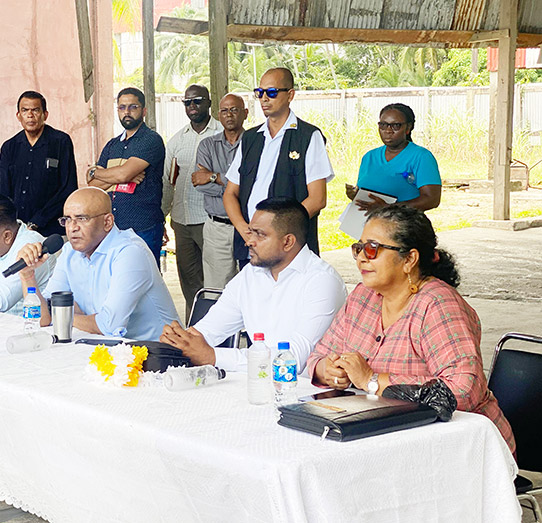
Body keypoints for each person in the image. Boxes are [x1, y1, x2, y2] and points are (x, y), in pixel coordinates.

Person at [306, 204, 515, 454]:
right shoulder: (363, 296)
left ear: (409, 259)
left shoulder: (437, 305)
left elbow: (463, 390)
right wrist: (328, 371)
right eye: (358, 248)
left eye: (372, 249)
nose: (361, 257)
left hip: (459, 448)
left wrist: (372, 381)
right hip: (385, 436)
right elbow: (319, 355)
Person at [160, 198, 346, 373]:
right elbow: (210, 329)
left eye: (260, 235)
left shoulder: (321, 281)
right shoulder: (251, 274)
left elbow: (296, 360)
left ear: (288, 241)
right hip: (256, 383)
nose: (249, 241)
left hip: (307, 395)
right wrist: (181, 341)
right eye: (250, 232)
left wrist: (212, 356)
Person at [16, 188, 179, 340]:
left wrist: (62, 315)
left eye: (81, 218)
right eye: (67, 220)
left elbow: (109, 326)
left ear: (107, 222)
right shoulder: (69, 252)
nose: (72, 228)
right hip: (102, 348)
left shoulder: (130, 252)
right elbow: (42, 318)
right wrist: (27, 275)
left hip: (153, 353)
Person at [224, 67, 333, 265]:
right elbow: (230, 193)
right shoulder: (249, 138)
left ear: (290, 94)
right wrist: (245, 230)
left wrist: (276, 232)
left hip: (289, 247)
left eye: (272, 92)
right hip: (250, 244)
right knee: (252, 296)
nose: (264, 98)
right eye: (260, 92)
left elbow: (317, 199)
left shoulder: (308, 136)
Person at [87, 87, 166, 265]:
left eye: (133, 107)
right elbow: (93, 185)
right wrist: (115, 176)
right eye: (122, 108)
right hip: (113, 227)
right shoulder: (112, 145)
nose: (127, 112)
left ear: (144, 111)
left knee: (144, 278)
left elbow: (122, 174)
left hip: (143, 225)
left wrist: (104, 173)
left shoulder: (151, 140)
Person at [163, 84, 223, 316]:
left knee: (216, 280)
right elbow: (168, 182)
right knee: (189, 283)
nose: (192, 106)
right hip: (181, 221)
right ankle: (195, 327)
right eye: (187, 102)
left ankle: (219, 331)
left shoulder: (221, 134)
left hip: (211, 220)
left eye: (197, 101)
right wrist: (162, 216)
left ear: (209, 103)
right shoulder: (177, 140)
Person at [0, 91, 78, 237]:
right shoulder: (9, 147)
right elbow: (2, 192)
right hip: (17, 231)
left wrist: (37, 221)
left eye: (35, 110)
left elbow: (68, 188)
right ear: (18, 116)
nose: (30, 115)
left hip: (52, 230)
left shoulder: (60, 142)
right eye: (25, 110)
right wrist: (11, 224)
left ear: (45, 115)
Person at [194, 93, 248, 289]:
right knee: (217, 290)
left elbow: (255, 185)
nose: (229, 115)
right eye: (224, 111)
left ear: (245, 113)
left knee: (252, 286)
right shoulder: (207, 146)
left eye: (234, 110)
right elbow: (200, 185)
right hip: (217, 227)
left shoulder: (254, 143)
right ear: (218, 115)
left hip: (249, 226)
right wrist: (236, 187)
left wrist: (215, 177)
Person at [346, 103, 441, 214]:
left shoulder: (421, 156)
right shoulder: (369, 157)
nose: (388, 130)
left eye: (396, 125)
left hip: (403, 225)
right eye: (383, 125)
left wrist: (390, 208)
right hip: (368, 225)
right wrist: (357, 196)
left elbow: (432, 199)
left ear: (408, 127)